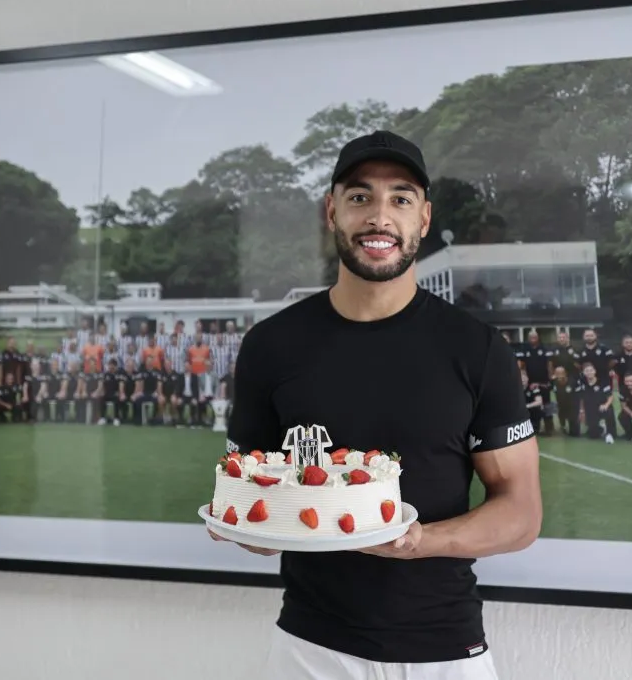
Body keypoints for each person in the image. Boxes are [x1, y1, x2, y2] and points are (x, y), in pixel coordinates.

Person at [210, 130, 542, 679]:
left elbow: (522, 514)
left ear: (424, 218)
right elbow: (254, 495)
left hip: (443, 651)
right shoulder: (271, 345)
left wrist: (417, 540)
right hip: (309, 648)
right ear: (331, 211)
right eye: (360, 196)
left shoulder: (476, 349)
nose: (379, 217)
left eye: (400, 198)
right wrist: (250, 528)